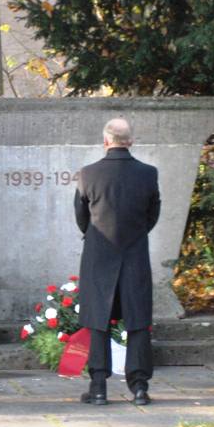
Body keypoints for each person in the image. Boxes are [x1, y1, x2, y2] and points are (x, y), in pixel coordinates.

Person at [74, 118, 161, 406]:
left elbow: (81, 216)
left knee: (98, 321)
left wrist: (97, 238)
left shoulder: (88, 174)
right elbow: (152, 214)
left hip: (99, 256)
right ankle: (139, 388)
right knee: (138, 322)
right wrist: (135, 234)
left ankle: (98, 387)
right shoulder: (148, 174)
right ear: (130, 141)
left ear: (106, 141)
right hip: (134, 254)